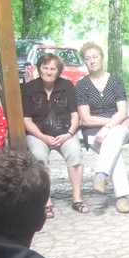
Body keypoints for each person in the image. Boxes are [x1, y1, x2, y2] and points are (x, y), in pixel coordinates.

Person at [22, 53, 88, 217]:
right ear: (39, 68)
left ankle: (77, 199)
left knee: (75, 153)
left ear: (58, 71)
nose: (49, 72)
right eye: (45, 68)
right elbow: (27, 120)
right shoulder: (29, 88)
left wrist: (68, 134)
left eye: (53, 69)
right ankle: (45, 200)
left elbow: (75, 116)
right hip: (38, 133)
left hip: (64, 132)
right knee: (39, 157)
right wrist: (43, 137)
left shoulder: (67, 86)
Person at [76, 42, 129, 214]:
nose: (92, 61)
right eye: (87, 58)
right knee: (114, 152)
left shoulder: (115, 81)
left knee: (115, 135)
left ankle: (101, 174)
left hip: (118, 128)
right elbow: (86, 119)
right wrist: (109, 124)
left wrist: (107, 128)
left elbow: (122, 112)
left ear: (102, 58)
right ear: (84, 62)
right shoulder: (82, 85)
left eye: (95, 56)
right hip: (94, 132)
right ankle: (122, 198)